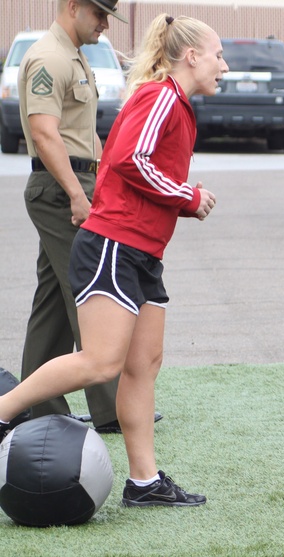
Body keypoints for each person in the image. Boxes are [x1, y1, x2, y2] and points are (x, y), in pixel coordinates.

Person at [0, 13, 227, 508]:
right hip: (113, 247)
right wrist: (187, 196)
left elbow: (141, 167)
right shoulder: (161, 95)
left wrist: (182, 195)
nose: (224, 66)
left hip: (143, 252)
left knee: (143, 365)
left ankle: (143, 483)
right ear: (191, 56)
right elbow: (130, 160)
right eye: (218, 54)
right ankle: (2, 411)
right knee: (100, 362)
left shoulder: (178, 104)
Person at [16, 0, 128, 432]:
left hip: (79, 186)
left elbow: (78, 133)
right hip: (63, 189)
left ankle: (35, 405)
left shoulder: (74, 55)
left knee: (54, 300)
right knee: (88, 289)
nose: (104, 23)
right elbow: (45, 132)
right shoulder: (48, 57)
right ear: (73, 7)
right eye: (99, 13)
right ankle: (113, 409)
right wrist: (76, 196)